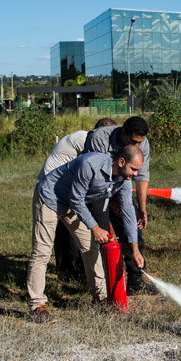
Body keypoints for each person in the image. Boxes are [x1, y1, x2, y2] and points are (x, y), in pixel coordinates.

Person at [26, 145, 145, 323]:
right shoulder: (89, 164)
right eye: (133, 169)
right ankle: (37, 306)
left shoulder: (123, 180)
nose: (136, 174)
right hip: (50, 197)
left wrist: (135, 249)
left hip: (71, 203)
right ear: (121, 162)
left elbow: (128, 212)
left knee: (91, 248)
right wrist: (95, 228)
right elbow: (76, 199)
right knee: (42, 252)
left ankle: (101, 299)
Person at [39, 118, 117, 281]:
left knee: (91, 221)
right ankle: (66, 269)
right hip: (54, 187)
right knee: (65, 228)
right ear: (98, 132)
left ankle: (87, 270)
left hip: (74, 185)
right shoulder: (83, 140)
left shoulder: (105, 146)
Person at [84, 116, 154, 295]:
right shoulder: (98, 138)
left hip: (121, 186)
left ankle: (135, 280)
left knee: (132, 229)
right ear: (122, 132)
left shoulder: (142, 145)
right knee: (102, 236)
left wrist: (142, 208)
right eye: (132, 141)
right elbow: (96, 178)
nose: (136, 146)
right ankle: (102, 284)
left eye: (139, 142)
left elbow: (141, 177)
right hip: (95, 190)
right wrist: (114, 203)